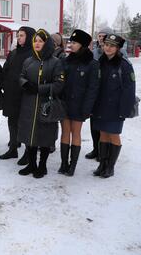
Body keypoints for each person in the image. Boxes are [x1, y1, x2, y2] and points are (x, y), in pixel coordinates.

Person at [17, 29, 64, 178]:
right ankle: (31, 164)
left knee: (44, 137)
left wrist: (40, 88)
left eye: (41, 41)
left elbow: (59, 84)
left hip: (45, 105)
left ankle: (42, 166)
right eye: (35, 40)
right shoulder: (29, 60)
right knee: (29, 136)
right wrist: (24, 84)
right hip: (29, 103)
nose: (37, 43)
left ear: (47, 43)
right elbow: (21, 76)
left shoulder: (55, 62)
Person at [91, 34, 135, 178]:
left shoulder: (125, 66)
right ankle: (102, 164)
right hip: (100, 106)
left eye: (112, 46)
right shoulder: (99, 63)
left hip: (116, 108)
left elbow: (129, 91)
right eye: (106, 45)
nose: (108, 48)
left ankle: (110, 167)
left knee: (114, 135)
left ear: (118, 48)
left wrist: (124, 110)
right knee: (103, 134)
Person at [58, 30, 100, 176]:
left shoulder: (92, 64)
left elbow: (93, 89)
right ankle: (63, 164)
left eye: (74, 43)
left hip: (80, 105)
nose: (71, 45)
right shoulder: (66, 60)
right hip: (65, 103)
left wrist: (87, 108)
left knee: (75, 133)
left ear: (83, 45)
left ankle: (72, 166)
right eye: (70, 42)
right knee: (64, 132)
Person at [0, 27, 35, 162]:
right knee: (12, 121)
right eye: (18, 35)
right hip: (11, 93)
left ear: (29, 37)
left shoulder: (33, 54)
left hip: (25, 95)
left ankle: (28, 152)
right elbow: (5, 69)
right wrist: (3, 84)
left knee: (25, 124)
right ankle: (13, 148)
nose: (18, 38)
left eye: (21, 35)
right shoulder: (13, 53)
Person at [87, 27, 110, 160]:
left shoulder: (119, 53)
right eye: (99, 36)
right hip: (95, 93)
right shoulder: (94, 52)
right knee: (94, 124)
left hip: (107, 94)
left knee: (105, 125)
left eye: (104, 36)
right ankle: (96, 149)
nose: (101, 38)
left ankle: (104, 152)